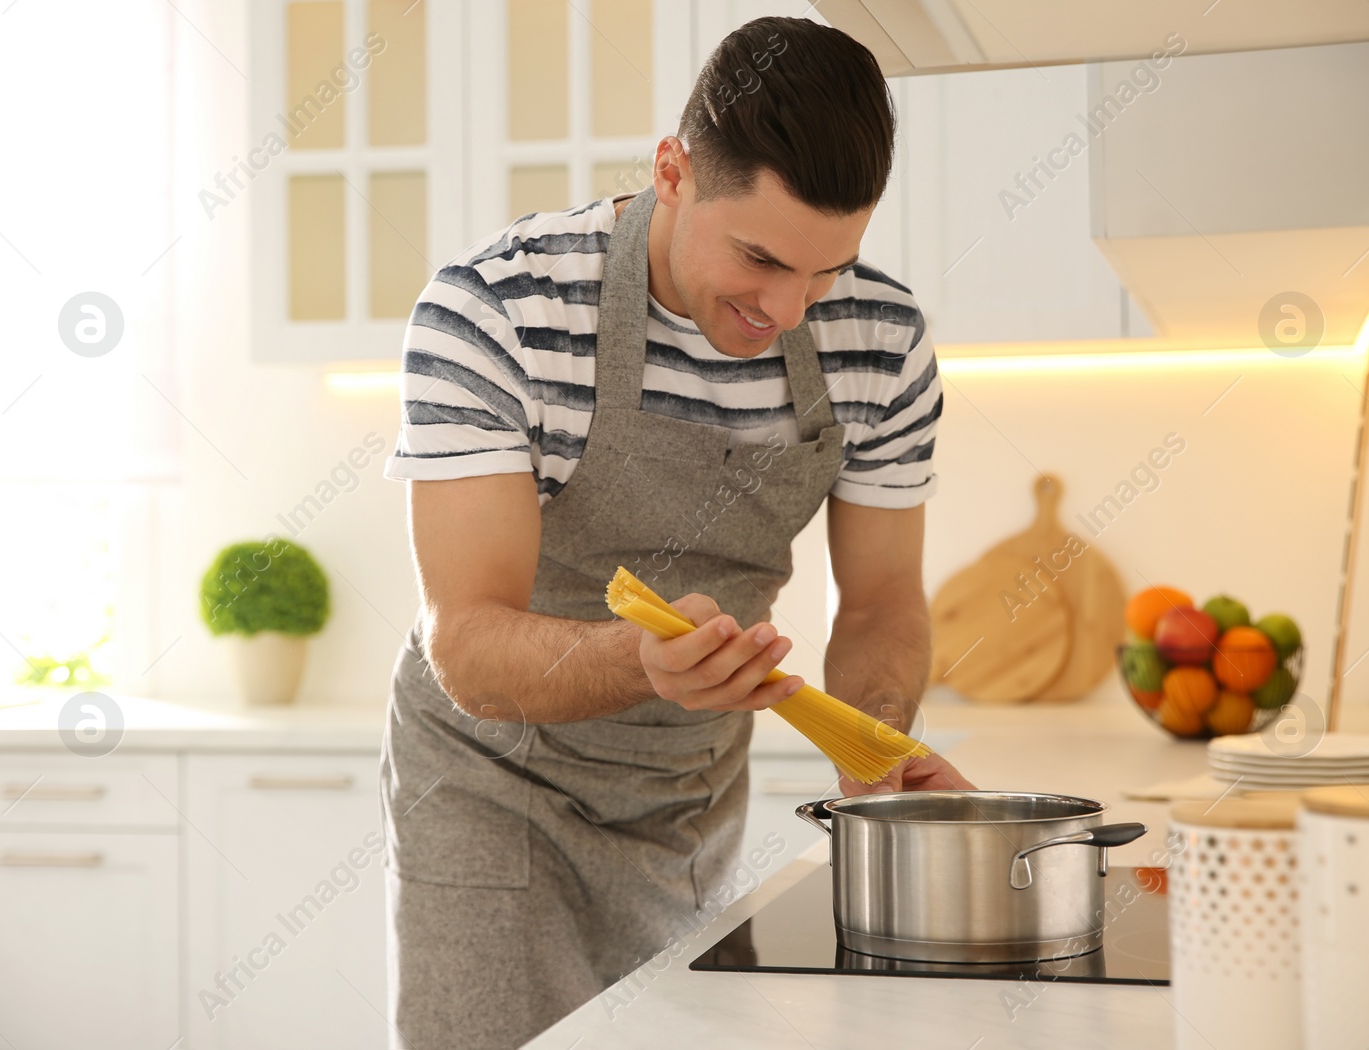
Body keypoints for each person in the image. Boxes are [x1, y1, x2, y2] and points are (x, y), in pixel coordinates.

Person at [378, 14, 974, 1048]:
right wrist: (640, 660)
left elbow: (880, 601)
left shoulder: (879, 339)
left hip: (691, 795)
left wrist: (872, 736)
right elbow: (467, 640)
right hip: (491, 793)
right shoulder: (497, 312)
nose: (786, 310)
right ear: (671, 171)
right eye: (757, 257)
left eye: (824, 270)